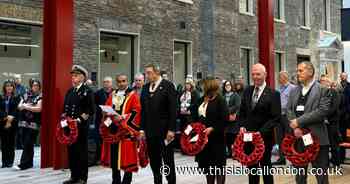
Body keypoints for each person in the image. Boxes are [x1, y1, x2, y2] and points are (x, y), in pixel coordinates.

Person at [286, 62, 331, 184]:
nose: (298, 73)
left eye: (301, 71)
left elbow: (321, 112)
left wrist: (298, 121)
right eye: (298, 71)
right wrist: (295, 127)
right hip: (298, 138)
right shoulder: (294, 90)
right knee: (300, 177)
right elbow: (289, 109)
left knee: (321, 176)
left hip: (317, 139)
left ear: (310, 72)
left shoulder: (323, 90)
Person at [238, 63, 281, 184]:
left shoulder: (274, 94)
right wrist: (241, 126)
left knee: (266, 168)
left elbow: (275, 118)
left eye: (258, 74)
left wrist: (260, 133)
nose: (255, 77)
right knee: (252, 169)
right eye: (253, 74)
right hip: (248, 138)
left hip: (264, 138)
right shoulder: (247, 91)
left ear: (265, 75)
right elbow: (242, 112)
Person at [140, 63, 177, 184]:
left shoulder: (168, 86)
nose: (147, 75)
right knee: (155, 161)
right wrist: (142, 129)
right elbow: (143, 110)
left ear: (157, 72)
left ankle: (171, 181)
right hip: (150, 132)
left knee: (167, 161)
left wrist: (171, 129)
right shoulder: (145, 88)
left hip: (165, 131)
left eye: (149, 73)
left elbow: (173, 109)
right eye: (146, 73)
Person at [103, 74, 141, 184]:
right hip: (114, 131)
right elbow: (107, 108)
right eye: (119, 81)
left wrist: (124, 117)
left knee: (128, 160)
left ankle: (126, 181)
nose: (121, 83)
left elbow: (136, 111)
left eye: (123, 81)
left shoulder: (133, 95)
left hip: (126, 132)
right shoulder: (112, 94)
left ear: (127, 81)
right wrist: (107, 114)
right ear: (116, 82)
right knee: (114, 159)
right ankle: (115, 181)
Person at [62, 65, 95, 184]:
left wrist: (78, 121)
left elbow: (90, 110)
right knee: (72, 152)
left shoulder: (87, 91)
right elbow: (65, 109)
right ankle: (73, 176)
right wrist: (63, 121)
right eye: (72, 75)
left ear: (82, 77)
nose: (73, 78)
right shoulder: (70, 91)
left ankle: (82, 178)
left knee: (81, 152)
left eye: (75, 76)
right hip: (69, 127)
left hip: (80, 127)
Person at [192, 77, 228, 184]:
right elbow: (194, 114)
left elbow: (224, 119)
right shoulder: (201, 99)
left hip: (216, 140)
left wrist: (213, 128)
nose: (202, 87)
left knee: (219, 168)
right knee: (208, 168)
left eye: (204, 85)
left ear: (209, 86)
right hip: (204, 141)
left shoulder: (220, 100)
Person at [14, 79, 42, 170]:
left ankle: (23, 164)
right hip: (23, 122)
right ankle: (29, 163)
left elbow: (38, 109)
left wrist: (26, 106)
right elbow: (19, 106)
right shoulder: (25, 94)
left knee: (28, 142)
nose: (35, 87)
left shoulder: (41, 96)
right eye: (34, 85)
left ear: (39, 86)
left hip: (34, 123)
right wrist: (29, 106)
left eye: (37, 85)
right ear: (31, 86)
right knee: (27, 143)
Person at [272, 71, 296, 165]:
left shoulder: (292, 88)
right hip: (279, 116)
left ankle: (294, 159)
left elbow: (293, 103)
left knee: (290, 137)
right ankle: (282, 158)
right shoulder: (279, 89)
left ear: (285, 77)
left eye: (280, 77)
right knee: (279, 138)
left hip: (288, 116)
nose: (278, 79)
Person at [320, 75, 342, 168]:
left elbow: (334, 107)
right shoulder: (320, 93)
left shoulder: (334, 92)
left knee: (333, 144)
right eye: (321, 81)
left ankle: (336, 163)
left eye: (324, 81)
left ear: (328, 83)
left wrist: (325, 116)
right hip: (322, 122)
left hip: (332, 122)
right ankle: (325, 163)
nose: (322, 83)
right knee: (324, 144)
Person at [0, 80, 20, 168]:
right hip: (2, 122)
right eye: (7, 86)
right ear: (4, 88)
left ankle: (10, 162)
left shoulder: (17, 97)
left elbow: (17, 109)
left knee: (11, 143)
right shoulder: (1, 97)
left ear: (13, 87)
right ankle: (4, 162)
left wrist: (11, 118)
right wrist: (5, 116)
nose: (9, 87)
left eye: (11, 86)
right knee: (4, 143)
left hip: (13, 123)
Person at [95, 76, 114, 166]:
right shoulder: (98, 93)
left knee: (111, 138)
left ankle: (110, 157)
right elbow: (94, 105)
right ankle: (100, 158)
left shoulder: (115, 93)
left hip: (111, 120)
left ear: (111, 83)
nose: (106, 83)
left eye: (108, 82)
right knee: (99, 139)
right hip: (100, 119)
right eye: (105, 82)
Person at [176, 78, 199, 150]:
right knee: (184, 131)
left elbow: (196, 103)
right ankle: (184, 147)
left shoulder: (195, 93)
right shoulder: (182, 92)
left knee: (190, 131)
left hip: (190, 116)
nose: (187, 85)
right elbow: (178, 101)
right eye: (186, 84)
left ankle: (191, 147)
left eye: (188, 84)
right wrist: (180, 107)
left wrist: (188, 108)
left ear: (191, 85)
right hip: (182, 116)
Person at [222, 80, 241, 158]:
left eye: (229, 85)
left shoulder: (235, 95)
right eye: (226, 85)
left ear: (231, 86)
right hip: (226, 120)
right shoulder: (223, 96)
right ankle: (229, 152)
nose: (227, 87)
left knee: (234, 136)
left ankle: (235, 153)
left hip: (234, 119)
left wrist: (230, 112)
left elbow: (238, 105)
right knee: (227, 137)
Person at [338, 72, 350, 163]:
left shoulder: (349, 86)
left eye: (344, 76)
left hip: (348, 115)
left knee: (347, 136)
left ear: (347, 77)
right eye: (342, 76)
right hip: (340, 116)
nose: (343, 78)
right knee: (341, 136)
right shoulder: (338, 86)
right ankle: (341, 157)